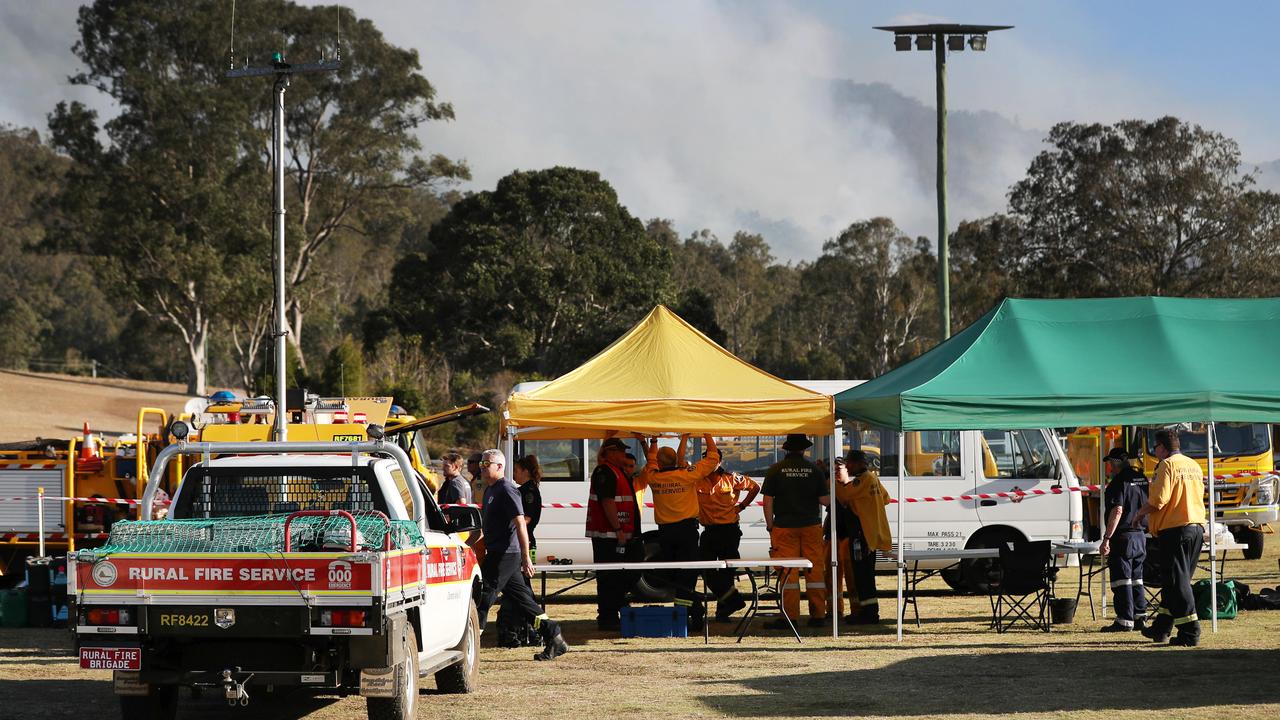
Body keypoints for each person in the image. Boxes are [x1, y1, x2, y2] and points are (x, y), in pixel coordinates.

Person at [474, 449, 568, 661]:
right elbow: (487, 526)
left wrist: (526, 558)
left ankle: (469, 651)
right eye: (481, 463)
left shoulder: (507, 489)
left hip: (506, 555)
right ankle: (553, 635)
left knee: (483, 598)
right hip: (498, 552)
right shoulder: (490, 490)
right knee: (524, 603)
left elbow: (520, 524)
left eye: (486, 463)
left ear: (499, 466)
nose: (482, 467)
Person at [635, 435, 721, 631]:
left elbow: (651, 461)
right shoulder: (686, 475)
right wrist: (707, 434)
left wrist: (648, 443)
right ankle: (695, 611)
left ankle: (687, 612)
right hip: (687, 532)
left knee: (674, 578)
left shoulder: (653, 477)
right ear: (675, 461)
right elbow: (713, 458)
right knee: (688, 576)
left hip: (665, 533)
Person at [1131, 429, 1206, 647]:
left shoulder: (1166, 465)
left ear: (1162, 447)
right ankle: (1161, 627)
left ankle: (1190, 631)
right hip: (1196, 527)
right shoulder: (1193, 465)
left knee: (1177, 582)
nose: (1155, 451)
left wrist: (1139, 514)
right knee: (1173, 582)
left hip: (1175, 530)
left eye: (1155, 448)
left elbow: (1158, 501)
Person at [762, 434, 830, 628]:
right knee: (815, 569)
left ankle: (790, 617)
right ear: (803, 449)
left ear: (786, 449)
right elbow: (825, 501)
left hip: (784, 527)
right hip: (811, 527)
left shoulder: (775, 470)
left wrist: (769, 525)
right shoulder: (814, 470)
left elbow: (767, 501)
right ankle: (818, 615)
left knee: (787, 573)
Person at [585, 437, 643, 630]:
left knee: (622, 575)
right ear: (610, 452)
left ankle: (616, 606)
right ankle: (608, 617)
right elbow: (607, 502)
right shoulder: (605, 472)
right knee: (609, 578)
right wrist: (618, 529)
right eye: (620, 451)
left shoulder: (616, 471)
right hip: (608, 536)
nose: (623, 454)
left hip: (619, 535)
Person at [831, 451, 891, 624]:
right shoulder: (872, 478)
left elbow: (844, 495)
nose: (848, 467)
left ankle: (870, 614)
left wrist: (837, 481)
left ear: (857, 463)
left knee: (863, 575)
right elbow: (886, 498)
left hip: (863, 534)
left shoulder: (863, 479)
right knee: (863, 574)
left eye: (849, 463)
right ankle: (867, 612)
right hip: (868, 534)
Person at [696, 455, 759, 621]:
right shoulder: (697, 479)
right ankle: (734, 601)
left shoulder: (731, 478)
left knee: (726, 573)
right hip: (709, 530)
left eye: (713, 460)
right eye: (706, 460)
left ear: (719, 462)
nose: (709, 464)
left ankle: (723, 612)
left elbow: (755, 487)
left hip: (729, 530)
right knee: (705, 568)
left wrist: (742, 506)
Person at [1099, 448, 1149, 633]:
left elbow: (1117, 510)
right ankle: (1140, 617)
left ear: (1118, 462)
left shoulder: (1118, 482)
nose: (1110, 467)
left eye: (1111, 462)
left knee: (1122, 580)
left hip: (1123, 536)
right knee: (1137, 579)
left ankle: (1124, 620)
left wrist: (1107, 538)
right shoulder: (1141, 478)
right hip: (1140, 535)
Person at [497, 455, 545, 648]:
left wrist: (505, 526)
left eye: (517, 470)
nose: (514, 473)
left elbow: (526, 520)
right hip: (516, 545)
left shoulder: (529, 492)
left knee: (521, 592)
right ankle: (521, 631)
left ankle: (529, 631)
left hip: (523, 545)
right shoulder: (521, 490)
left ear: (526, 471)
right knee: (518, 591)